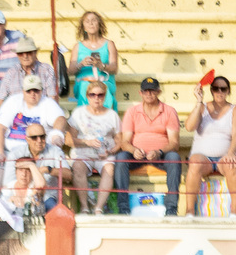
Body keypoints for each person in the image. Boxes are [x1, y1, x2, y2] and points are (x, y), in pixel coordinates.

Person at [114, 77, 182, 216]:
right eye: (146, 91)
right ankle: (123, 208)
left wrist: (159, 151)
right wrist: (134, 150)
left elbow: (174, 143)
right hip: (137, 154)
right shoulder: (132, 112)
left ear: (159, 92)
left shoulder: (169, 111)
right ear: (140, 93)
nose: (149, 94)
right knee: (121, 158)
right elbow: (124, 142)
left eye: (152, 91)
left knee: (174, 158)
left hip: (161, 155)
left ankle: (171, 209)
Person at [0, 75, 68, 188]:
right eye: (29, 91)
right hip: (10, 152)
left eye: (36, 90)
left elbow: (60, 119)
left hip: (38, 154)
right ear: (23, 91)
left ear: (41, 91)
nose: (33, 94)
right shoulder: (13, 101)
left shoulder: (48, 103)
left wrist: (56, 135)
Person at [181, 75, 236, 217]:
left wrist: (230, 153)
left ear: (228, 91)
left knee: (232, 165)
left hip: (224, 156)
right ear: (211, 90)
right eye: (216, 88)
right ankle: (189, 212)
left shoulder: (234, 109)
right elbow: (189, 126)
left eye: (223, 89)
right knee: (195, 162)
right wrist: (199, 102)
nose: (219, 92)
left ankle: (234, 212)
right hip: (203, 157)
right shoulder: (203, 107)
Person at [68, 80, 121, 215]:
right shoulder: (78, 113)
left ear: (105, 96)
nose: (96, 98)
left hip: (104, 153)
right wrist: (87, 142)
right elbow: (69, 140)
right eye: (92, 95)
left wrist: (110, 151)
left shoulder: (112, 115)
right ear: (87, 96)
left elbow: (120, 140)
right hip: (83, 152)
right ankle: (85, 207)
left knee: (109, 168)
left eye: (100, 95)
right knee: (78, 166)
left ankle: (98, 207)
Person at [68, 11, 117, 110]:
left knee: (102, 87)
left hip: (104, 81)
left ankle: (105, 119)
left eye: (94, 20)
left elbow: (114, 68)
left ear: (99, 24)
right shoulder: (78, 46)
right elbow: (70, 71)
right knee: (85, 86)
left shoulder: (109, 44)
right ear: (84, 27)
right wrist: (81, 64)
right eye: (87, 21)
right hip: (84, 82)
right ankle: (84, 120)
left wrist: (102, 66)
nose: (91, 23)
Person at [0, 36, 57, 113]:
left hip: (41, 114)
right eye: (21, 53)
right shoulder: (11, 73)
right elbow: (0, 100)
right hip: (16, 117)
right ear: (17, 55)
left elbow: (52, 98)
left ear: (35, 53)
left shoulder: (46, 70)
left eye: (29, 52)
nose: (25, 56)